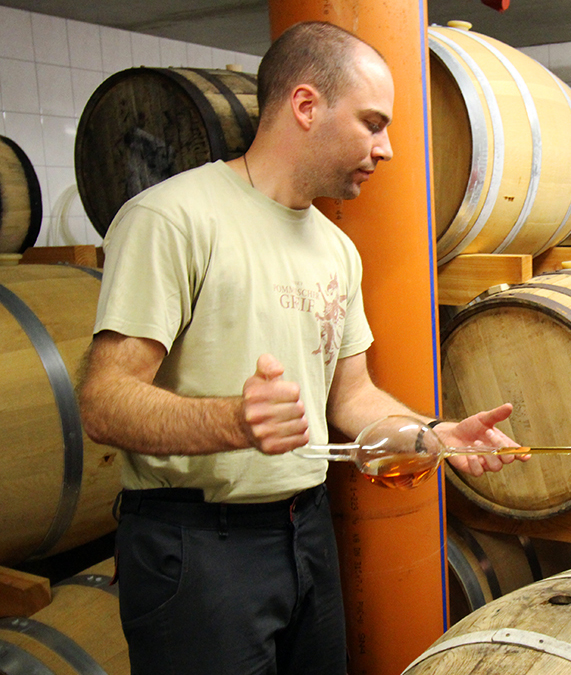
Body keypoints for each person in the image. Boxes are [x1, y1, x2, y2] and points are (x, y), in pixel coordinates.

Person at [77, 22, 518, 675]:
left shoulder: (336, 248)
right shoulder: (172, 218)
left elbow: (353, 397)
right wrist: (231, 420)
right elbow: (102, 400)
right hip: (199, 544)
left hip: (306, 530)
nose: (388, 148)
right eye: (372, 123)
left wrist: (435, 435)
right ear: (307, 106)